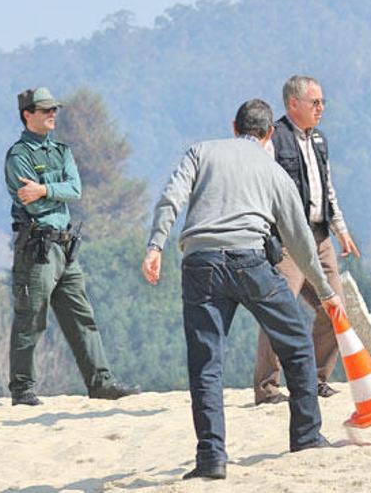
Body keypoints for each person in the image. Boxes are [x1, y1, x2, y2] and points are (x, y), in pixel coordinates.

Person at [141, 99, 343, 480]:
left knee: (206, 363)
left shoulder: (200, 152)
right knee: (297, 343)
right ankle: (305, 435)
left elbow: (171, 197)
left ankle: (211, 459)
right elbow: (299, 238)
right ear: (269, 134)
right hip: (251, 264)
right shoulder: (273, 169)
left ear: (234, 126)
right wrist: (324, 290)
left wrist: (155, 246)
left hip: (200, 264)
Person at [4, 87, 139, 406]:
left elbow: (75, 189)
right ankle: (22, 389)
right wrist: (51, 192)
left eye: (54, 109)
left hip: (65, 247)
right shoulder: (19, 155)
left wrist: (45, 189)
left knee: (82, 317)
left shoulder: (61, 150)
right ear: (28, 114)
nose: (53, 114)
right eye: (45, 110)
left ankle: (101, 383)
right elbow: (30, 203)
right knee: (31, 318)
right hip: (36, 249)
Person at [252, 75, 360, 405]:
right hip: (287, 241)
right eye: (315, 102)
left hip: (320, 236)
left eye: (323, 102)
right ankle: (267, 386)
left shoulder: (320, 141)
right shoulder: (274, 140)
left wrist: (340, 228)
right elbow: (262, 189)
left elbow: (326, 188)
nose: (321, 108)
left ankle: (314, 379)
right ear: (293, 104)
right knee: (279, 309)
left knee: (335, 308)